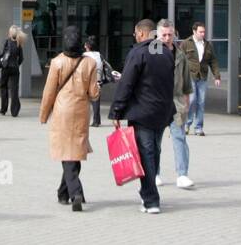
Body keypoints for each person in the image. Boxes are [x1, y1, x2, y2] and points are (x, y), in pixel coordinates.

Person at [109, 18, 176, 214]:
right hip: (162, 112)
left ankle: (151, 199)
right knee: (153, 151)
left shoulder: (138, 53)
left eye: (135, 34)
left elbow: (126, 84)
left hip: (143, 112)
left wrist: (116, 112)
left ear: (140, 34)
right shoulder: (165, 52)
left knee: (146, 154)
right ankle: (149, 191)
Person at [40, 25, 100, 211]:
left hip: (62, 111)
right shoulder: (89, 63)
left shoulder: (57, 62)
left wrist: (43, 114)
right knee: (74, 152)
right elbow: (94, 93)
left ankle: (76, 192)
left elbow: (49, 92)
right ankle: (63, 193)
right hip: (81, 111)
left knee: (67, 154)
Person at [162, 21, 194, 189]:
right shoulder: (152, 53)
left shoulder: (180, 55)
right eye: (164, 35)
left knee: (179, 139)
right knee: (154, 142)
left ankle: (182, 174)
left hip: (177, 102)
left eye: (170, 35)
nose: (167, 38)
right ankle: (155, 174)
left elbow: (187, 81)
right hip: (157, 103)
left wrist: (186, 103)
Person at [179, 21, 222, 135]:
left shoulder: (207, 45)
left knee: (201, 102)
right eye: (200, 32)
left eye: (204, 32)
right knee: (192, 100)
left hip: (202, 76)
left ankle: (198, 127)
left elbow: (213, 61)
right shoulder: (186, 43)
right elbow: (179, 60)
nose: (203, 34)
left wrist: (217, 76)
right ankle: (187, 124)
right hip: (190, 76)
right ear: (194, 31)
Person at [82, 36, 118, 127]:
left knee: (83, 101)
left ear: (87, 46)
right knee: (96, 101)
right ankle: (96, 121)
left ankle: (84, 120)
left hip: (87, 80)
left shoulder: (84, 56)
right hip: (98, 80)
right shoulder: (99, 55)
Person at [0, 25, 23, 116]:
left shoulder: (6, 42)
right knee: (14, 89)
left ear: (9, 33)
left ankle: (3, 109)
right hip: (15, 68)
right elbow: (21, 58)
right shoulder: (19, 43)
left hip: (6, 67)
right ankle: (14, 111)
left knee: (4, 87)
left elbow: (1, 55)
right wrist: (16, 64)